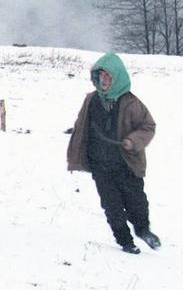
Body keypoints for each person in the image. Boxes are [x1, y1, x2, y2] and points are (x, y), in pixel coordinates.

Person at [66, 52, 161, 254]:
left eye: (109, 77)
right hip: (100, 165)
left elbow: (148, 126)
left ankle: (143, 230)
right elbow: (81, 124)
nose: (105, 81)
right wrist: (76, 145)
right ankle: (125, 241)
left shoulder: (131, 103)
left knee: (137, 202)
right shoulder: (91, 100)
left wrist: (132, 141)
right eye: (101, 76)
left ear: (118, 78)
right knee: (112, 206)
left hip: (127, 164)